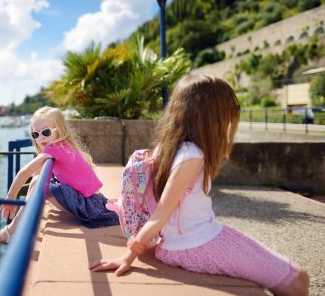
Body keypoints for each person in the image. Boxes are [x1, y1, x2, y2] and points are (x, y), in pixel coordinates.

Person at [89, 74, 309, 295]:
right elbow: (161, 214)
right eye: (227, 109)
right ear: (210, 114)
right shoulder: (191, 155)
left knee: (293, 275)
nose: (230, 116)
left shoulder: (171, 147)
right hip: (195, 245)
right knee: (297, 279)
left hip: (200, 236)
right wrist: (130, 255)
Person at [0, 106, 119, 243]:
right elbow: (37, 175)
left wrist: (11, 197)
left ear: (59, 130)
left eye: (46, 132)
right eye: (35, 134)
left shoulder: (55, 149)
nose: (41, 137)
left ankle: (10, 230)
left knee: (39, 181)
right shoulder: (63, 146)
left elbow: (25, 171)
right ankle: (20, 224)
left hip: (87, 206)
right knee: (37, 180)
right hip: (92, 202)